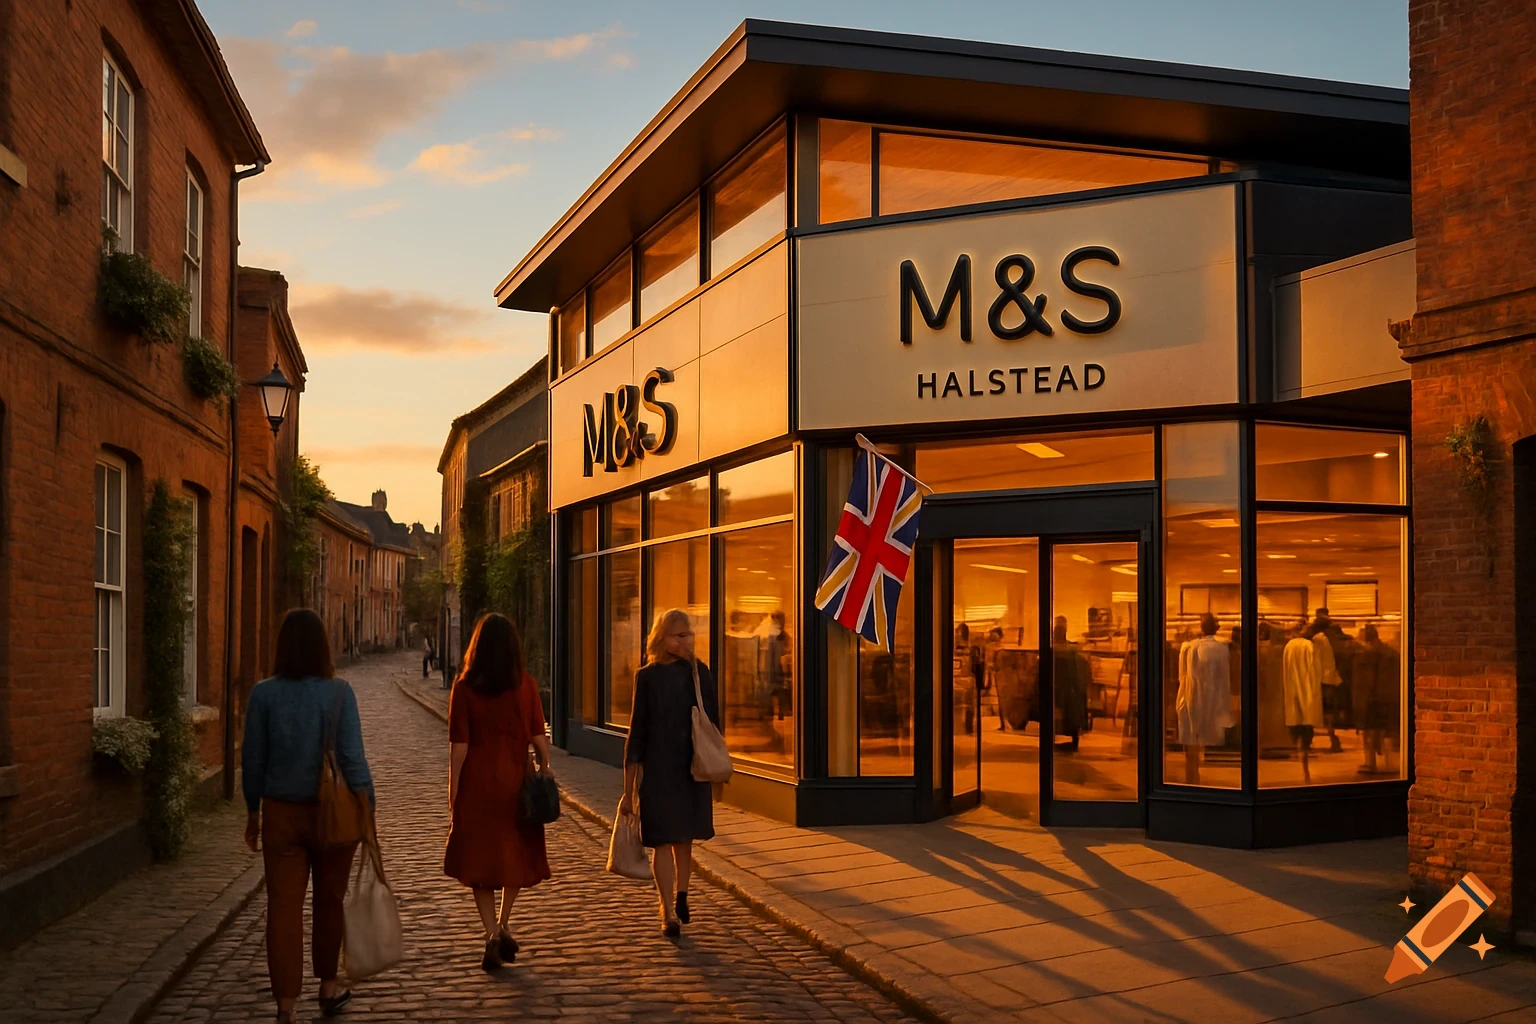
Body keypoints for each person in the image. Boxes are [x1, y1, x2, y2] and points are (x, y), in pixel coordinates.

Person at [242, 609, 374, 1024]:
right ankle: (328, 986)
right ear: (323, 647)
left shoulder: (263, 695)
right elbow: (352, 759)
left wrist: (251, 811)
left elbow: (253, 761)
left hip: (281, 813)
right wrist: (368, 809)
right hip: (334, 815)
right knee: (329, 901)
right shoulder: (339, 693)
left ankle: (285, 1006)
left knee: (283, 907)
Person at [444, 613, 553, 971]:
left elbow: (459, 748)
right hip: (515, 784)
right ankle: (504, 922)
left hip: (478, 783)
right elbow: (539, 740)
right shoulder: (526, 686)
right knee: (512, 855)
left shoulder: (463, 688)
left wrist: (453, 791)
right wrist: (544, 766)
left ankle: (492, 931)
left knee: (480, 862)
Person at [620, 608, 720, 938]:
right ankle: (667, 909)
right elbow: (637, 731)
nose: (685, 640)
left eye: (688, 634)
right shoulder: (647, 677)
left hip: (690, 768)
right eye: (679, 634)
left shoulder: (699, 672)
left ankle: (682, 895)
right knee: (663, 840)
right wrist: (628, 786)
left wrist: (714, 770)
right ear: (662, 638)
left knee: (683, 839)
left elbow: (713, 723)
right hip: (659, 769)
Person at [1176, 614, 1233, 785]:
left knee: (1190, 736)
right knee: (1201, 735)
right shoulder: (1221, 649)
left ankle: (1191, 774)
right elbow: (1224, 678)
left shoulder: (1188, 647)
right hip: (1210, 697)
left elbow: (1182, 676)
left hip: (1188, 695)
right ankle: (1194, 775)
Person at [1282, 621, 1325, 783]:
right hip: (1308, 693)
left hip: (1292, 694)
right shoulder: (1310, 646)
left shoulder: (1288, 647)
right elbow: (1317, 670)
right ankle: (1305, 768)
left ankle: (1302, 764)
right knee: (1307, 729)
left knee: (1296, 727)